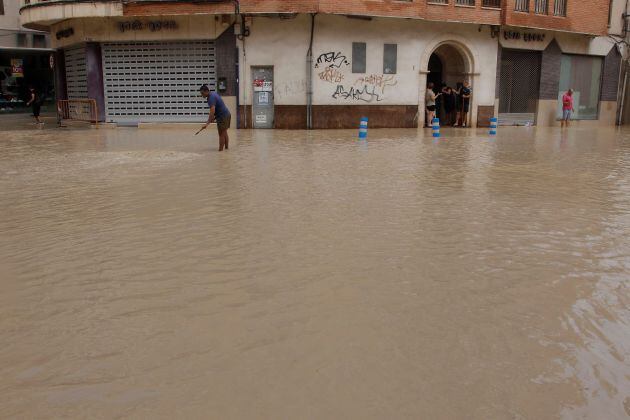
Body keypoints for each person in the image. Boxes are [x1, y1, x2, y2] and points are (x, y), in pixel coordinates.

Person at [199, 84, 231, 151]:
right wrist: (213, 118)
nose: (202, 95)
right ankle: (226, 149)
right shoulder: (213, 94)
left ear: (206, 91)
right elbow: (218, 108)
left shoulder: (211, 98)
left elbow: (212, 111)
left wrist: (207, 123)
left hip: (222, 117)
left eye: (202, 93)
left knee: (221, 134)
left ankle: (220, 152)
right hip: (227, 114)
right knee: (224, 132)